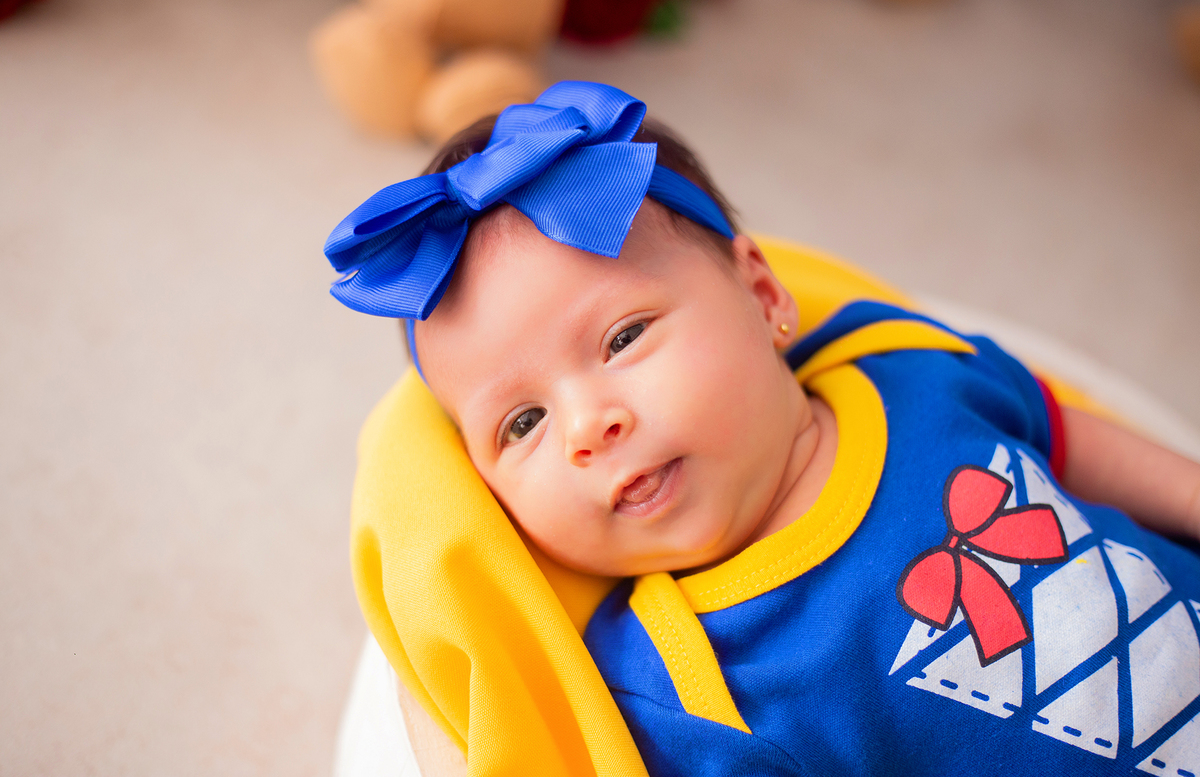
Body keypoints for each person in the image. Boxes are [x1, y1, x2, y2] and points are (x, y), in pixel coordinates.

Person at [325, 81, 1200, 775]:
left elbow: (1068, 437)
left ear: (764, 295)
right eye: (521, 423)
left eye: (623, 338)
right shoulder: (674, 680)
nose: (587, 428)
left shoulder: (904, 372)